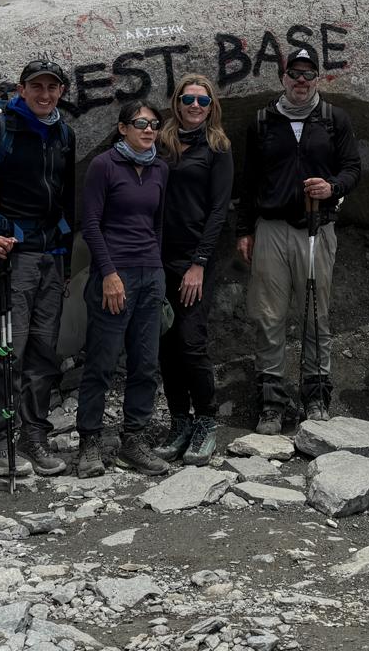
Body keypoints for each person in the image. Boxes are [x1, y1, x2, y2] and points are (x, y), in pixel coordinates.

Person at [0, 59, 77, 478]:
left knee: (44, 351)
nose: (45, 95)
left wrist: (65, 259)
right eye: (36, 87)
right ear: (21, 89)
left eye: (52, 87)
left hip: (51, 255)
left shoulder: (65, 134)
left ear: (61, 91)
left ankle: (33, 435)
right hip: (11, 256)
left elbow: (68, 199)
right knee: (8, 353)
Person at [236, 47, 361, 433]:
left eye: (308, 75)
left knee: (315, 313)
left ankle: (316, 394)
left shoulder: (333, 119)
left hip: (317, 226)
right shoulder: (262, 121)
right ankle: (271, 401)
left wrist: (333, 186)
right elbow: (248, 180)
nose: (301, 82)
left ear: (317, 79)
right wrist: (243, 229)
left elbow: (353, 168)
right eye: (295, 74)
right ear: (283, 78)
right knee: (269, 315)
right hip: (272, 226)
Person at [76, 100, 172, 477]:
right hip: (114, 276)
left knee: (146, 363)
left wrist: (157, 268)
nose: (148, 130)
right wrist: (109, 273)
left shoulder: (161, 169)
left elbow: (158, 224)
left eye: (154, 124)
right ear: (122, 128)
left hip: (150, 275)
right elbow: (91, 224)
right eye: (140, 123)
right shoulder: (104, 166)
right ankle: (89, 443)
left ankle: (134, 440)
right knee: (101, 361)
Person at [151, 75, 234, 466]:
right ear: (177, 102)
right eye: (188, 99)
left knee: (190, 341)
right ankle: (179, 421)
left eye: (203, 100)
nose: (195, 105)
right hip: (157, 257)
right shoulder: (159, 142)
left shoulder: (218, 148)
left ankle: (206, 421)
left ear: (211, 105)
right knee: (166, 345)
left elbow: (219, 210)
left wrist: (199, 263)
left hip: (194, 260)